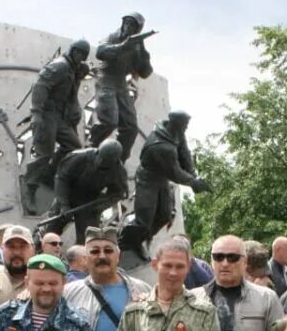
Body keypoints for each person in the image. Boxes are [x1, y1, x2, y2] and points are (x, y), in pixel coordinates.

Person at [118, 111, 210, 262]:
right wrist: (194, 183)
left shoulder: (176, 133)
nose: (186, 128)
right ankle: (124, 242)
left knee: (165, 216)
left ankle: (142, 238)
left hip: (162, 179)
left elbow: (184, 154)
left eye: (186, 125)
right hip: (147, 180)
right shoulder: (160, 146)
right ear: (176, 123)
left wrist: (194, 176)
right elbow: (175, 173)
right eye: (184, 125)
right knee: (143, 220)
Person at [63, 226, 151, 331]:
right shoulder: (68, 293)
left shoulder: (142, 289)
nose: (102, 256)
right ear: (85, 259)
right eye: (95, 251)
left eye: (108, 251)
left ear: (118, 256)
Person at [25, 39, 88, 197]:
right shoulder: (60, 66)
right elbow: (41, 86)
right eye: (78, 52)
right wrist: (36, 114)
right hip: (46, 114)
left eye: (83, 55)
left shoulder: (73, 70)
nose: (79, 57)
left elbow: (69, 95)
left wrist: (79, 77)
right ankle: (30, 188)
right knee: (44, 152)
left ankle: (49, 174)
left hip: (60, 116)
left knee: (73, 147)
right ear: (72, 51)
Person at [90, 13, 152, 157]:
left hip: (121, 82)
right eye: (127, 23)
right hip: (106, 78)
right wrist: (124, 46)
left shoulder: (138, 46)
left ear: (138, 30)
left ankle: (118, 160)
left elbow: (145, 73)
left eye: (132, 25)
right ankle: (91, 149)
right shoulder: (113, 37)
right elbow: (100, 51)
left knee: (131, 128)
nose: (128, 27)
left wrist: (142, 50)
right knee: (109, 121)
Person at [45, 139, 128, 242]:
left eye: (106, 161)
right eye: (100, 157)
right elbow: (61, 179)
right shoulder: (78, 157)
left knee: (89, 237)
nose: (101, 162)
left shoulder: (118, 172)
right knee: (50, 231)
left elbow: (117, 194)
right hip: (68, 194)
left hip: (89, 202)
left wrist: (99, 207)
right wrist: (63, 204)